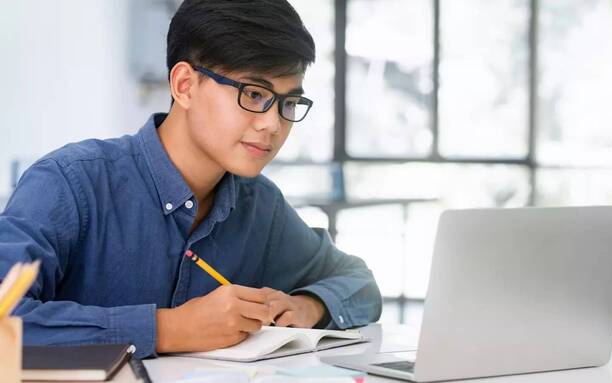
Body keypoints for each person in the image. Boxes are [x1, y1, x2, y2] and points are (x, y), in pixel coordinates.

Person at [0, 0, 382, 358]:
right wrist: (169, 329)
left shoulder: (259, 206)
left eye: (288, 102)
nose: (273, 124)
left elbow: (357, 281)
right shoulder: (70, 183)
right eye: (253, 93)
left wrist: (307, 305)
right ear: (184, 85)